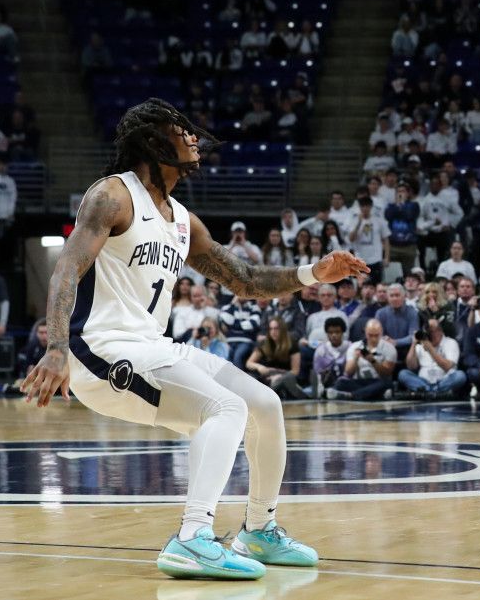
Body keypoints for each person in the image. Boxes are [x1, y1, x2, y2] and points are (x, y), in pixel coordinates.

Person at [20, 99, 368, 580]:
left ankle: (258, 530)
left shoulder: (182, 219)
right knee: (225, 408)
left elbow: (244, 278)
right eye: (180, 131)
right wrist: (56, 347)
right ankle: (192, 538)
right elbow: (66, 268)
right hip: (99, 349)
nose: (193, 138)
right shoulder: (113, 195)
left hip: (152, 346)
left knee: (265, 404)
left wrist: (313, 272)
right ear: (152, 141)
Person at [397, 317, 466, 399]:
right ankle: (432, 392)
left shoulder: (451, 343)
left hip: (443, 381)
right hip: (423, 381)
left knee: (460, 376)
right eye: (427, 333)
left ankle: (428, 392)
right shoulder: (421, 344)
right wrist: (414, 344)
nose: (429, 336)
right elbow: (411, 366)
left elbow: (447, 366)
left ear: (440, 331)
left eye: (431, 332)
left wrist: (431, 350)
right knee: (403, 374)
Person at [330, 318, 396, 400]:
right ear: (365, 332)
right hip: (360, 381)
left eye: (376, 335)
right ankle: (371, 394)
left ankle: (351, 395)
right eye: (370, 335)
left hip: (378, 381)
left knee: (387, 384)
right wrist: (355, 359)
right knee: (340, 383)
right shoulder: (355, 346)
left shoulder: (389, 348)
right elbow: (348, 372)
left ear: (381, 332)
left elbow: (387, 373)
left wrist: (373, 361)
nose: (373, 339)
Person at [245, 315, 305, 399]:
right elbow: (249, 363)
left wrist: (280, 377)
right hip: (266, 376)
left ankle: (267, 395)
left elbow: (295, 371)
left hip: (284, 376)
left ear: (282, 330)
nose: (273, 331)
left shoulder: (292, 343)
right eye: (271, 329)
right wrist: (259, 367)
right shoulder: (264, 343)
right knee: (249, 377)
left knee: (285, 379)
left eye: (276, 329)